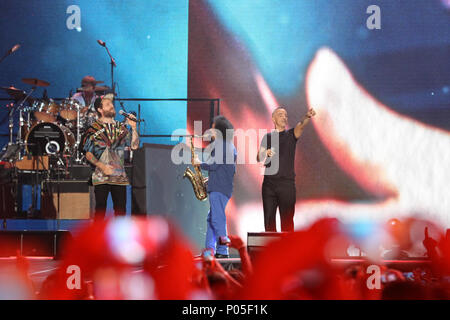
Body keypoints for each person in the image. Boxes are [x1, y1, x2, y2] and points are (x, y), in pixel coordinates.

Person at [257, 107, 316, 232]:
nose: (284, 117)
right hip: (269, 185)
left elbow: (301, 125)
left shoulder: (291, 135)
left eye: (285, 115)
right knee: (269, 221)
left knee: (287, 222)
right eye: (280, 114)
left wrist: (307, 116)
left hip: (286, 185)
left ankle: (287, 250)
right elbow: (258, 157)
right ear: (273, 118)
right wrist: (265, 153)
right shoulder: (267, 137)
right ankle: (271, 250)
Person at [82, 93, 139, 219]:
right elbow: (88, 153)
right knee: (100, 211)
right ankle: (97, 238)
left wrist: (134, 129)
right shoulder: (93, 129)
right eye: (108, 104)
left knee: (121, 212)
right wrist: (102, 166)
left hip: (119, 175)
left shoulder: (121, 127)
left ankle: (120, 238)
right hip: (101, 176)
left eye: (112, 104)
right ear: (100, 110)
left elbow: (134, 146)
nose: (112, 106)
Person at [193, 115, 237, 258]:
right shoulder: (229, 146)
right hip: (222, 187)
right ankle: (209, 250)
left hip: (219, 189)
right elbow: (226, 168)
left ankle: (222, 251)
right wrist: (211, 178)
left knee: (217, 219)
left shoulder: (221, 145)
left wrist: (199, 162)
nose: (210, 131)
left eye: (212, 128)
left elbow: (213, 164)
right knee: (212, 218)